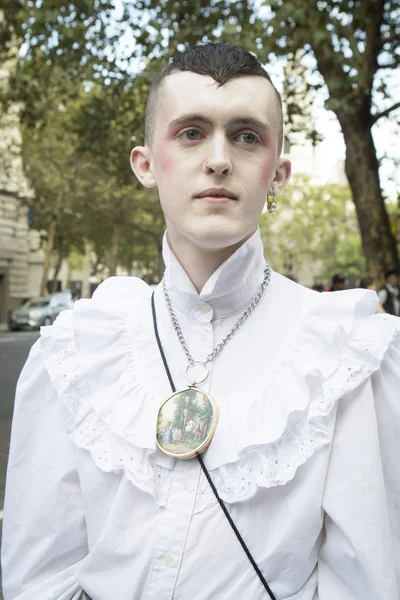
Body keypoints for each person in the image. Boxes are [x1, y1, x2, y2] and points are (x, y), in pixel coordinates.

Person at [2, 43, 400, 600]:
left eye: (246, 136)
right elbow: (37, 574)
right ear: (146, 164)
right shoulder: (74, 351)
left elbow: (364, 583)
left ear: (278, 175)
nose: (218, 159)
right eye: (191, 133)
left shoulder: (350, 352)